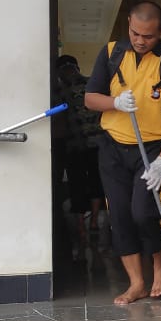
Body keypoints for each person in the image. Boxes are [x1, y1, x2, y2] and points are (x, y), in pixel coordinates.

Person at [84, 1, 161, 305]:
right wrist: (115, 103)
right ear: (129, 24)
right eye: (135, 33)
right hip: (113, 147)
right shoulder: (111, 53)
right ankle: (136, 284)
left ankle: (160, 264)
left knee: (144, 212)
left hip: (153, 148)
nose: (140, 40)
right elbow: (90, 98)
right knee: (119, 215)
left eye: (148, 36)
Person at [57, 55, 105, 253]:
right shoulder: (92, 85)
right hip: (95, 144)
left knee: (78, 184)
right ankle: (92, 222)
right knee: (95, 182)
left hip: (75, 146)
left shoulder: (60, 91)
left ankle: (80, 225)